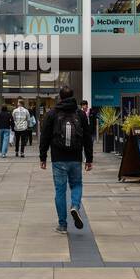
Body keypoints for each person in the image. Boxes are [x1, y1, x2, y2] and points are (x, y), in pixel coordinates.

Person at [38, 86, 93, 233]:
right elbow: (88, 137)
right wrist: (89, 159)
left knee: (60, 191)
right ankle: (75, 205)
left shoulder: (52, 114)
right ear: (73, 96)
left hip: (58, 158)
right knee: (76, 185)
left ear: (60, 97)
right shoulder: (80, 114)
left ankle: (62, 225)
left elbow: (44, 137)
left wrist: (42, 157)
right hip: (75, 157)